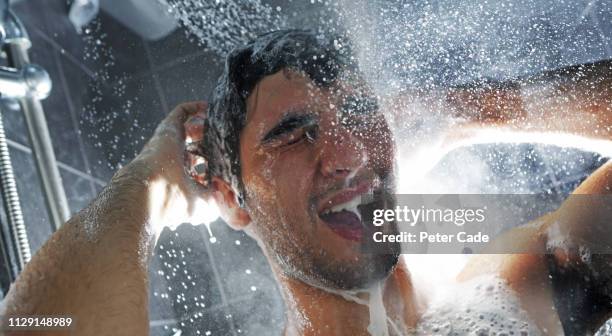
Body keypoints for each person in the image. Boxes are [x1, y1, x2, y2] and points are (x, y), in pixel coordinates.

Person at [1, 29, 611, 336]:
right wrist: (147, 185)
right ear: (230, 200)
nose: (347, 153)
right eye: (291, 132)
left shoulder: (511, 286)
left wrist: (464, 110)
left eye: (362, 115)